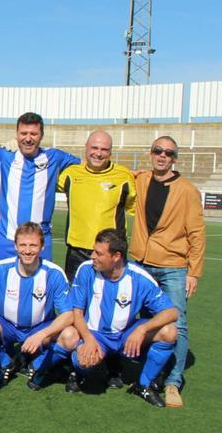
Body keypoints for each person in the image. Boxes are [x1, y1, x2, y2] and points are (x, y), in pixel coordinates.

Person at [129, 136, 206, 408]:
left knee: (178, 324)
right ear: (150, 154)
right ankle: (147, 373)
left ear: (175, 158)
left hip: (173, 266)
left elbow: (197, 233)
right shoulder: (141, 180)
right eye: (157, 151)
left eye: (168, 153)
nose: (162, 156)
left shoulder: (187, 191)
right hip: (141, 263)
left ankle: (173, 382)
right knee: (143, 320)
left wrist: (194, 272)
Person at [68, 229, 179, 407]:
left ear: (116, 256)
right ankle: (78, 372)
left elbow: (172, 313)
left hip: (125, 335)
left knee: (170, 332)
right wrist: (88, 339)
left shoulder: (139, 278)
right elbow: (77, 313)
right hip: (96, 335)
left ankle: (143, 384)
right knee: (85, 361)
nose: (92, 256)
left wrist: (142, 329)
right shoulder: (86, 270)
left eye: (99, 253)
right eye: (93, 251)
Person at [0, 222, 79, 391]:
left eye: (33, 245)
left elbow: (68, 315)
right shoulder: (1, 269)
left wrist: (41, 334)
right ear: (15, 246)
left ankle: (39, 365)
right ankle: (5, 362)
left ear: (42, 247)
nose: (27, 251)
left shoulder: (53, 273)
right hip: (6, 325)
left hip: (40, 327)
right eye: (23, 245)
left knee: (71, 336)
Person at [0, 112, 81, 264]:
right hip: (7, 239)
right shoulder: (4, 155)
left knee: (41, 286)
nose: (28, 138)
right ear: (16, 135)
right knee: (1, 285)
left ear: (41, 135)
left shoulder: (54, 157)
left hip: (40, 241)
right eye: (23, 133)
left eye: (33, 133)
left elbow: (88, 166)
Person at [57, 130, 136, 280]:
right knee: (76, 301)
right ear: (86, 147)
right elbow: (42, 180)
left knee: (110, 300)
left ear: (110, 152)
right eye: (94, 148)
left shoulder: (124, 176)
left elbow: (134, 208)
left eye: (104, 149)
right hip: (77, 252)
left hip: (111, 252)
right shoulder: (70, 174)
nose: (98, 153)